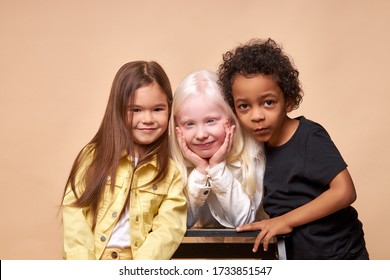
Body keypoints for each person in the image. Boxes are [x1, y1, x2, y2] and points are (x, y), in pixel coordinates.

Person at [217, 38, 369, 259]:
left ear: (288, 100)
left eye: (268, 102)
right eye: (244, 106)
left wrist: (284, 221)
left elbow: (345, 191)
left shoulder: (308, 137)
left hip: (341, 256)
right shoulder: (254, 149)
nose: (257, 116)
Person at [61, 61, 187, 260]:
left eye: (158, 109)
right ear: (117, 109)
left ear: (169, 109)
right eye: (136, 110)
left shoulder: (171, 172)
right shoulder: (93, 156)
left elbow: (169, 229)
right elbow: (75, 214)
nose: (147, 119)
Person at [169, 70, 266, 229]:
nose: (201, 135)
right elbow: (179, 224)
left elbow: (244, 222)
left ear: (230, 118)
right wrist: (200, 171)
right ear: (177, 127)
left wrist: (217, 169)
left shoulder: (252, 152)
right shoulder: (173, 161)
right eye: (189, 124)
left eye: (211, 121)